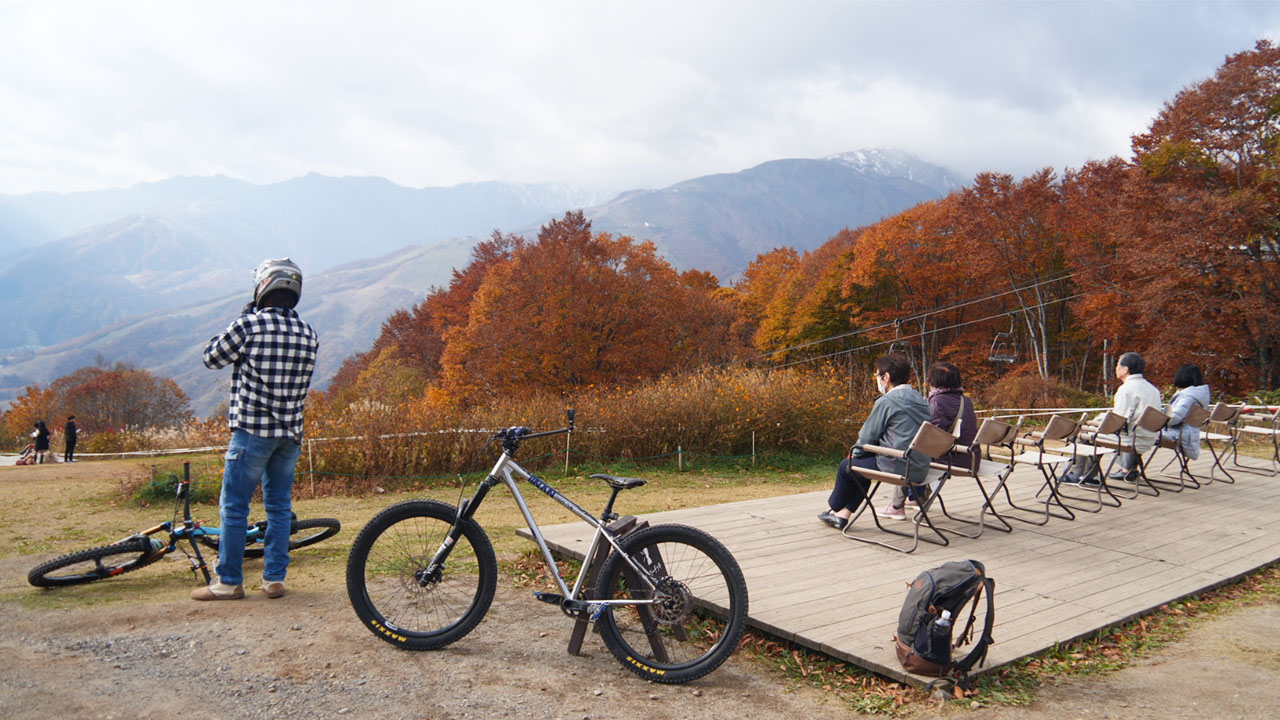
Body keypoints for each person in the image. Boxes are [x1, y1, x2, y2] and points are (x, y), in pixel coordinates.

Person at [193, 258, 318, 601]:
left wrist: (241, 318)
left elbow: (211, 357)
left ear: (262, 286)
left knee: (235, 507)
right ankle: (274, 578)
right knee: (278, 507)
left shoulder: (249, 325)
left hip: (251, 431)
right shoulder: (309, 332)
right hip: (290, 433)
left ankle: (230, 581)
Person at [818, 353, 930, 529]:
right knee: (862, 467)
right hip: (921, 467)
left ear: (886, 377)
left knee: (847, 465)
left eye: (878, 375)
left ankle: (834, 507)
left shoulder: (888, 401)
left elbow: (866, 437)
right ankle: (842, 515)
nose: (877, 380)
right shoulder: (922, 400)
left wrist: (853, 455)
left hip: (898, 465)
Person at [1064, 351, 1163, 486]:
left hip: (1131, 439)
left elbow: (1117, 421)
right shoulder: (1153, 389)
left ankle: (1078, 474)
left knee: (1085, 434)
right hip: (1148, 437)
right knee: (1093, 434)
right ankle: (1088, 475)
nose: (1116, 369)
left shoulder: (1127, 389)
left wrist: (1095, 423)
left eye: (1118, 365)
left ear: (1125, 369)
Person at [1161, 364, 1211, 460]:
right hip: (1190, 435)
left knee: (1138, 434)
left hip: (1179, 434)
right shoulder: (1198, 395)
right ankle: (1130, 469)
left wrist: (1157, 419)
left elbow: (1173, 419)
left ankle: (1129, 470)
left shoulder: (1188, 397)